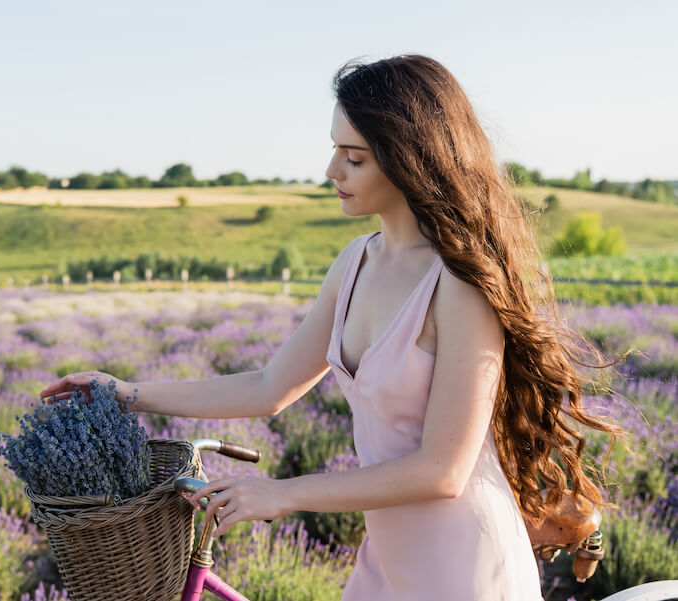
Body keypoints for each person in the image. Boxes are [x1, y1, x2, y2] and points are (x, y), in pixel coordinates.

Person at [38, 54, 624, 600]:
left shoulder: (460, 284)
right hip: (386, 558)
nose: (331, 170)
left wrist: (285, 493)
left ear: (410, 158)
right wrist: (124, 394)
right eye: (335, 150)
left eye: (355, 157)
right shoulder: (355, 262)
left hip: (462, 564)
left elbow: (443, 472)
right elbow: (270, 388)